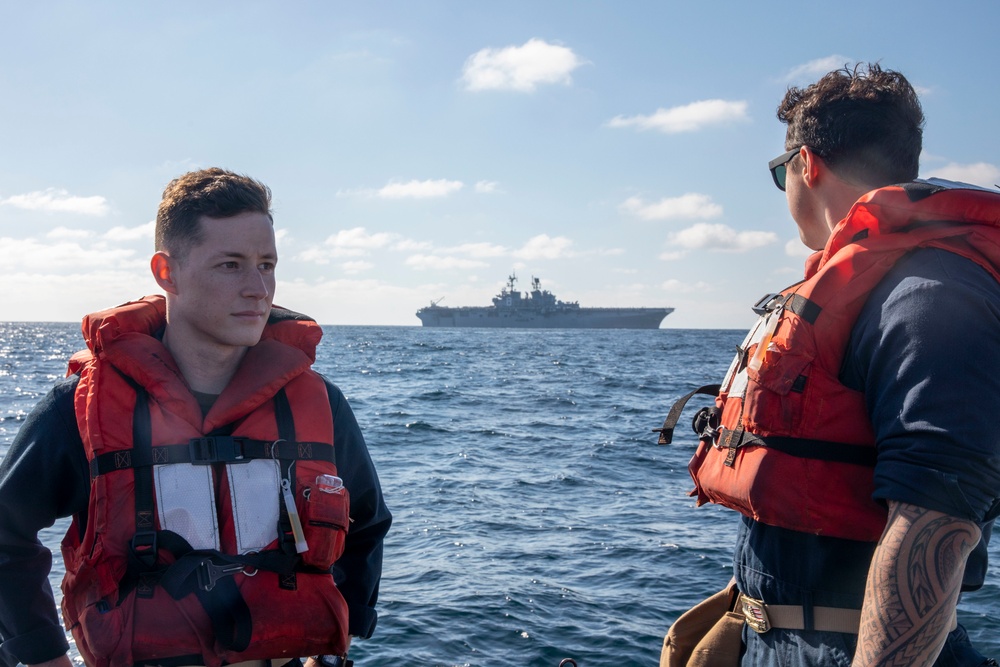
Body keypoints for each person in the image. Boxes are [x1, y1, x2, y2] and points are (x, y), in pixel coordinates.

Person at [659, 64, 1000, 665]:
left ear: (805, 165)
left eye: (778, 173)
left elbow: (936, 519)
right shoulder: (884, 289)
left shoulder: (930, 296)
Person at [0, 169, 392, 667]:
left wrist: (344, 631)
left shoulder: (320, 404)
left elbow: (366, 523)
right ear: (167, 272)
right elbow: (6, 535)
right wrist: (42, 656)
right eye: (231, 265)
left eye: (267, 264)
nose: (258, 288)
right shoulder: (80, 408)